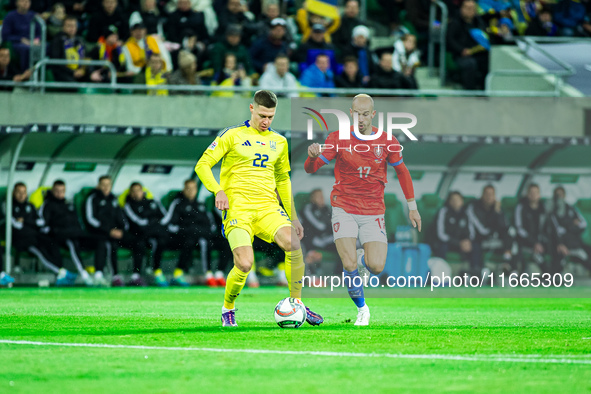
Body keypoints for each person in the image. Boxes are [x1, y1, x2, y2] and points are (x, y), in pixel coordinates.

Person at [195, 90, 324, 327]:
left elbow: (283, 181)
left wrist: (293, 218)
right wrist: (218, 190)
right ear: (252, 108)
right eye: (262, 115)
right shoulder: (232, 135)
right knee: (244, 264)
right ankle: (228, 308)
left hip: (267, 209)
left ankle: (297, 304)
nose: (266, 121)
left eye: (271, 117)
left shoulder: (279, 142)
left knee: (294, 244)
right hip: (238, 210)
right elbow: (202, 165)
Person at [304, 94, 420, 326]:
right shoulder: (338, 138)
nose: (361, 118)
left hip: (373, 211)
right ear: (350, 113)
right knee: (349, 265)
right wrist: (310, 157)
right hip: (343, 207)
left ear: (373, 115)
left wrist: (412, 207)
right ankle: (362, 309)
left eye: (365, 114)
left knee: (376, 267)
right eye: (357, 113)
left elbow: (403, 172)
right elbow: (311, 169)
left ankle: (361, 259)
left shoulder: (387, 141)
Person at [161, 179, 232, 286]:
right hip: (184, 237)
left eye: (193, 188)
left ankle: (219, 274)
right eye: (188, 188)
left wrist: (202, 232)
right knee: (194, 241)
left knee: (227, 242)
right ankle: (191, 273)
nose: (191, 191)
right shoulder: (178, 204)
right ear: (184, 190)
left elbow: (212, 226)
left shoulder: (201, 205)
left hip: (203, 236)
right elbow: (169, 224)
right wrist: (187, 231)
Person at [4, 182, 74, 285]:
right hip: (21, 238)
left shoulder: (30, 206)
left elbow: (40, 222)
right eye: (18, 192)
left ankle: (60, 272)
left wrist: (26, 221)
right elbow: (16, 225)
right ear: (14, 193)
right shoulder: (8, 205)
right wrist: (30, 222)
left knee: (52, 243)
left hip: (35, 235)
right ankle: (61, 272)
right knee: (40, 251)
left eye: (23, 192)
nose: (21, 195)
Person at [39, 180, 93, 286]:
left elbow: (77, 222)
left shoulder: (69, 204)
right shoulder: (48, 204)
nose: (60, 193)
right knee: (72, 242)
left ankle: (98, 274)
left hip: (75, 234)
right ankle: (83, 273)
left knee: (101, 240)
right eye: (57, 191)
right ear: (53, 191)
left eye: (62, 191)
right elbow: (43, 223)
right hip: (58, 236)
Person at [84, 176, 129, 287]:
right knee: (105, 243)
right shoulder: (92, 198)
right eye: (103, 184)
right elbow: (90, 219)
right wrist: (108, 231)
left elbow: (121, 218)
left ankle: (135, 276)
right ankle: (100, 275)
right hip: (96, 233)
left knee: (138, 241)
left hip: (114, 233)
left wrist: (121, 230)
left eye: (108, 184)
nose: (105, 187)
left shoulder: (114, 200)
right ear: (98, 185)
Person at [123, 182, 169, 286]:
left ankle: (156, 271)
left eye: (138, 190)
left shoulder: (153, 202)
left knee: (160, 241)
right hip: (138, 234)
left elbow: (165, 218)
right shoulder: (128, 205)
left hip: (154, 234)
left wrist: (152, 224)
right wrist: (154, 223)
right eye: (133, 191)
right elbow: (139, 223)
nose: (136, 193)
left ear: (142, 191)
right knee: (140, 244)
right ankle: (136, 275)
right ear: (130, 193)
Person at [466, 185, 513, 276]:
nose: (489, 197)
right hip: (478, 238)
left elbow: (505, 227)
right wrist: (493, 232)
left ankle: (508, 266)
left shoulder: (498, 209)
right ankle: (477, 273)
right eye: (487, 194)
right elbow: (481, 230)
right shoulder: (474, 207)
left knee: (510, 238)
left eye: (491, 194)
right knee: (475, 245)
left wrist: (497, 212)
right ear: (482, 195)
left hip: (495, 239)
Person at [545, 186, 591, 274]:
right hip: (560, 244)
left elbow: (583, 225)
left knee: (587, 252)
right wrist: (572, 224)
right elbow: (557, 230)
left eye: (561, 195)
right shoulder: (552, 212)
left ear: (564, 196)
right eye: (557, 195)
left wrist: (567, 226)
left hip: (576, 243)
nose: (559, 197)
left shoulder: (572, 209)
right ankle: (554, 279)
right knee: (558, 254)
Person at [447, 0, 489, 90]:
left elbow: (486, 36)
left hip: (478, 53)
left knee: (489, 61)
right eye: (467, 8)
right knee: (470, 64)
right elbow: (450, 40)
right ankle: (470, 91)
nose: (470, 11)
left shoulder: (479, 22)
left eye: (472, 8)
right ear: (462, 9)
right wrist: (461, 50)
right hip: (460, 55)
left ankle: (485, 90)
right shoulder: (455, 22)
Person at [300, 188, 336, 275]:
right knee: (307, 228)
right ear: (312, 198)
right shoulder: (308, 208)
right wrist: (329, 227)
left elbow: (334, 224)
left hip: (328, 239)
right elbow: (320, 227)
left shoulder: (327, 209)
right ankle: (311, 258)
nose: (322, 198)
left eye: (322, 196)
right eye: (319, 197)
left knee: (344, 245)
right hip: (314, 240)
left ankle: (342, 276)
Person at [514, 183, 547, 273]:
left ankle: (553, 277)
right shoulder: (521, 207)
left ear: (539, 195)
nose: (533, 195)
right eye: (531, 192)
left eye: (535, 193)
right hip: (525, 241)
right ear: (527, 194)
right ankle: (517, 274)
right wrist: (534, 243)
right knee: (516, 247)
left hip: (540, 242)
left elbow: (548, 228)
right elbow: (519, 229)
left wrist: (539, 242)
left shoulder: (543, 209)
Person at [1, 0, 41, 71]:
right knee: (26, 49)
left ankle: (42, 72)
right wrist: (21, 39)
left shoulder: (34, 16)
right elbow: (5, 35)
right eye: (23, 1)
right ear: (17, 3)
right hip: (16, 43)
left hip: (32, 42)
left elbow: (39, 32)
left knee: (46, 47)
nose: (25, 3)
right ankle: (25, 73)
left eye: (28, 1)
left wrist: (37, 39)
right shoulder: (10, 16)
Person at [432, 191, 471, 261]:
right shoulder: (443, 212)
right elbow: (441, 234)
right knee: (442, 246)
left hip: (459, 243)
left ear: (462, 201)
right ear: (449, 201)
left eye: (458, 200)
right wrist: (458, 243)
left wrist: (467, 241)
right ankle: (440, 268)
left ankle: (474, 269)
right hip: (446, 242)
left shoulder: (466, 213)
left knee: (473, 246)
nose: (455, 202)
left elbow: (470, 232)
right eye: (453, 200)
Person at [50, 16, 87, 82]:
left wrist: (82, 70)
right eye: (69, 26)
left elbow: (85, 57)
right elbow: (57, 62)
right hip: (63, 72)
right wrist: (72, 72)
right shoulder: (58, 40)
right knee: (72, 84)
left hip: (79, 71)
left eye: (74, 26)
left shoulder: (80, 41)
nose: (72, 28)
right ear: (63, 27)